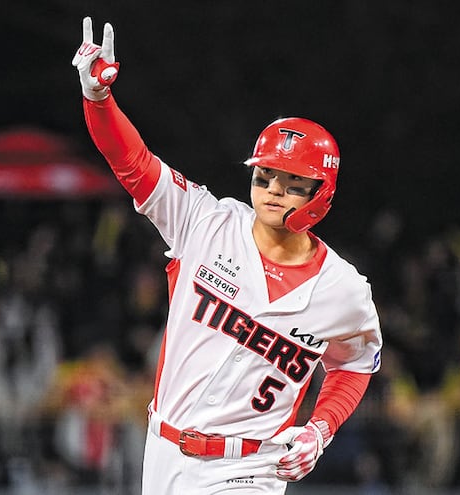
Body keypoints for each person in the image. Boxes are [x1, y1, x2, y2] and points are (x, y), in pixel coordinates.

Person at [72, 17, 382, 495]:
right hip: (163, 450)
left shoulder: (344, 290)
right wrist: (99, 100)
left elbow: (354, 365)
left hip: (251, 467)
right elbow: (134, 164)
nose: (273, 190)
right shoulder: (206, 221)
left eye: (292, 182)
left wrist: (321, 429)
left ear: (321, 192)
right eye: (266, 176)